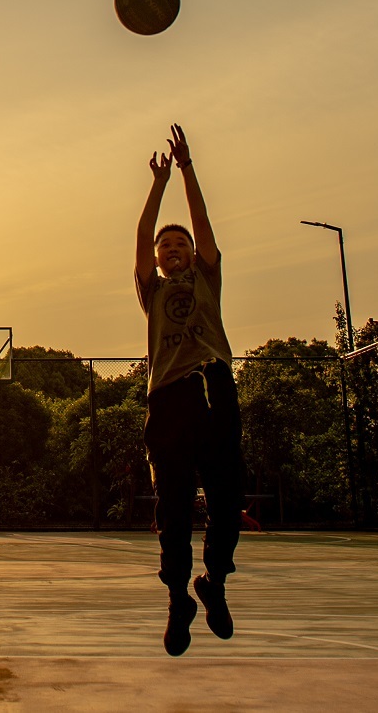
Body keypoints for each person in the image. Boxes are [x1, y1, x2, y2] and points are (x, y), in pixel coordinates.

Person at [134, 123, 242, 656]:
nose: (172, 247)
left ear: (195, 253)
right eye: (165, 245)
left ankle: (213, 581)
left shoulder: (206, 278)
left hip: (214, 385)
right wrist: (156, 186)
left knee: (226, 497)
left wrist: (187, 170)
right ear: (156, 260)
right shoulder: (151, 289)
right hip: (169, 396)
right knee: (172, 504)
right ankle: (178, 595)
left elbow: (202, 222)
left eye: (181, 243)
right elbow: (140, 238)